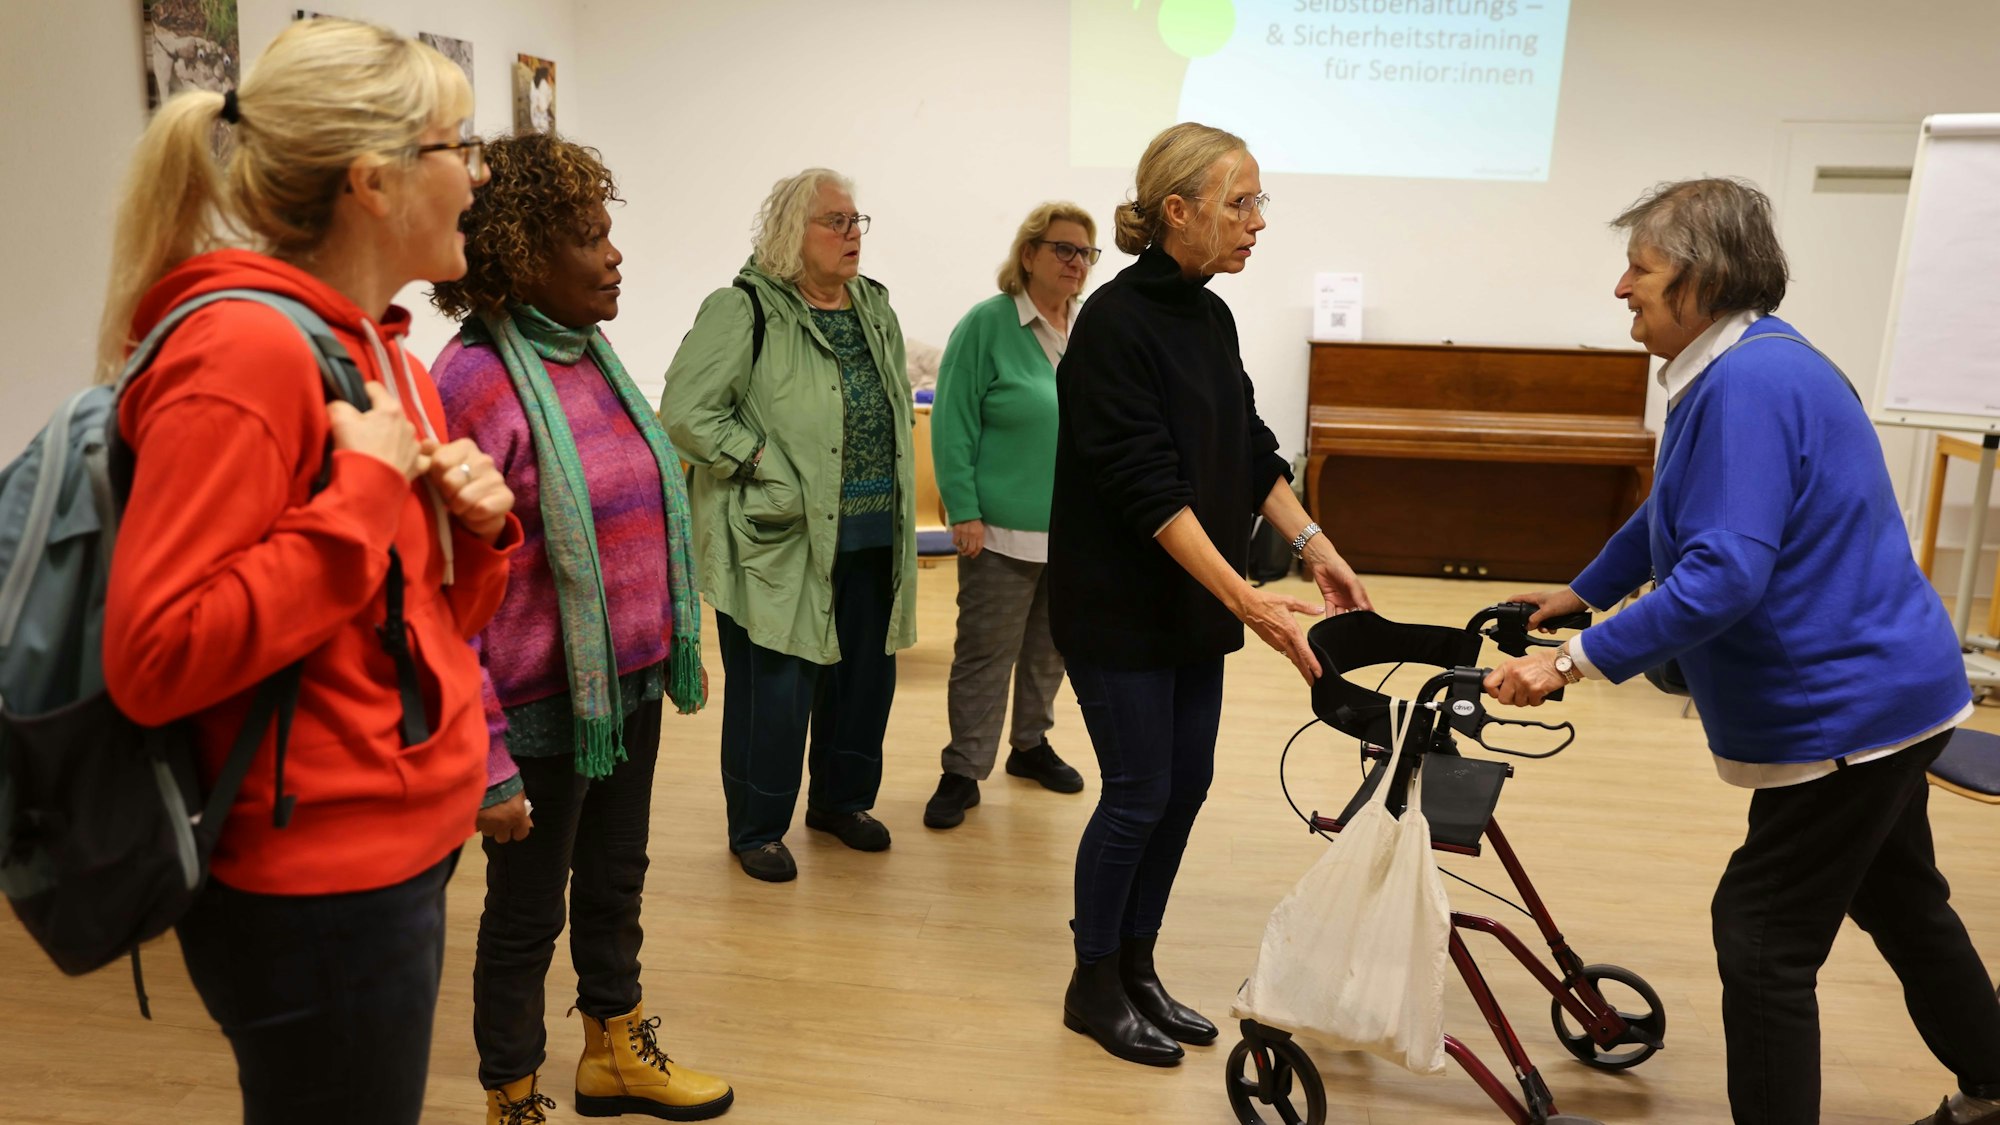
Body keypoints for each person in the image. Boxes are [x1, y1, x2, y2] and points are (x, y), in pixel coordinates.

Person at [1485, 177, 2000, 1125]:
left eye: (1639, 269)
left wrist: (1568, 662)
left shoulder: (1748, 386)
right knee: (1902, 900)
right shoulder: (1753, 359)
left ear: (1704, 278)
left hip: (1847, 713)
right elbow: (1676, 508)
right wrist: (1582, 592)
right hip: (1899, 691)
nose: (1620, 287)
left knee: (1761, 936)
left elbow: (1723, 575)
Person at [98, 19, 520, 1124]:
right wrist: (364, 497)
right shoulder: (241, 354)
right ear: (373, 181)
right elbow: (155, 656)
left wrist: (477, 532)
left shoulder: (387, 357)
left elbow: (421, 620)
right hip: (316, 876)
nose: (478, 176)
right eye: (460, 146)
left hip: (398, 837)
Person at [1047, 122, 1372, 1067]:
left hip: (1192, 603)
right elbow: (1149, 492)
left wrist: (1315, 547)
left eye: (1259, 201)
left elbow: (1249, 448)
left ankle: (1136, 966)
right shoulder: (1113, 324)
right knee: (1137, 792)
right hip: (1120, 607)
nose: (1257, 221)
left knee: (1184, 788)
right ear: (1177, 211)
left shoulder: (1208, 314)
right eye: (1241, 202)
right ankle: (1091, 982)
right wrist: (1249, 601)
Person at [430, 133, 733, 1125]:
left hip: (622, 686)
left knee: (614, 882)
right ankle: (512, 1093)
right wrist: (487, 761)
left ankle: (614, 1050)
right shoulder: (471, 383)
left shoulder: (588, 354)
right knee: (525, 915)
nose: (614, 255)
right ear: (523, 256)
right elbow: (444, 590)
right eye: (590, 238)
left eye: (609, 233)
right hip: (535, 708)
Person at [661, 168, 916, 883]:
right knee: (773, 692)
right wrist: (759, 460)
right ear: (789, 233)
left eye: (857, 220)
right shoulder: (743, 309)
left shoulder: (875, 307)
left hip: (872, 534)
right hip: (779, 539)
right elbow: (685, 412)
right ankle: (757, 828)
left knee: (864, 683)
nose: (852, 233)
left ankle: (841, 802)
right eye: (835, 221)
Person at [923, 202, 1099, 830]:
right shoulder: (988, 324)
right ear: (1029, 254)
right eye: (1063, 249)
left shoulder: (1088, 329)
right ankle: (963, 769)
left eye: (1086, 252)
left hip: (1073, 532)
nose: (1076, 262)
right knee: (985, 655)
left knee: (1051, 651)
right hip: (997, 530)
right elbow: (953, 421)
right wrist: (963, 509)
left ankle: (1030, 745)